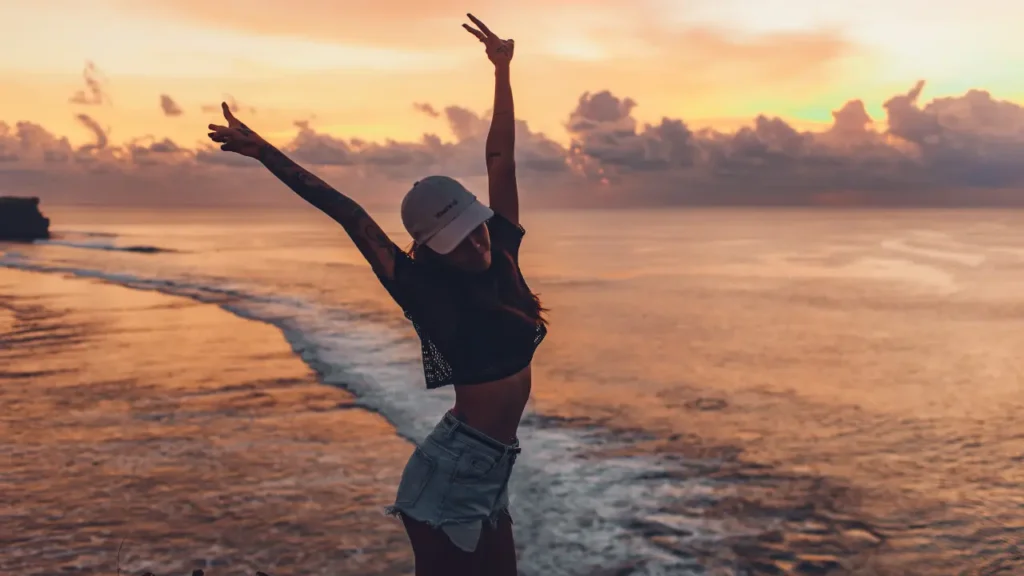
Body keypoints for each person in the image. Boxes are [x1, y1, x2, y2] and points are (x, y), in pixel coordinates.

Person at [206, 14, 545, 576]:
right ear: (433, 250)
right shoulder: (425, 292)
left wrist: (503, 69)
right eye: (461, 240)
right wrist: (264, 151)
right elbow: (347, 212)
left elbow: (500, 160)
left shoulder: (502, 252)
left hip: (491, 470)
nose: (479, 242)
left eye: (477, 225)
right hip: (450, 476)